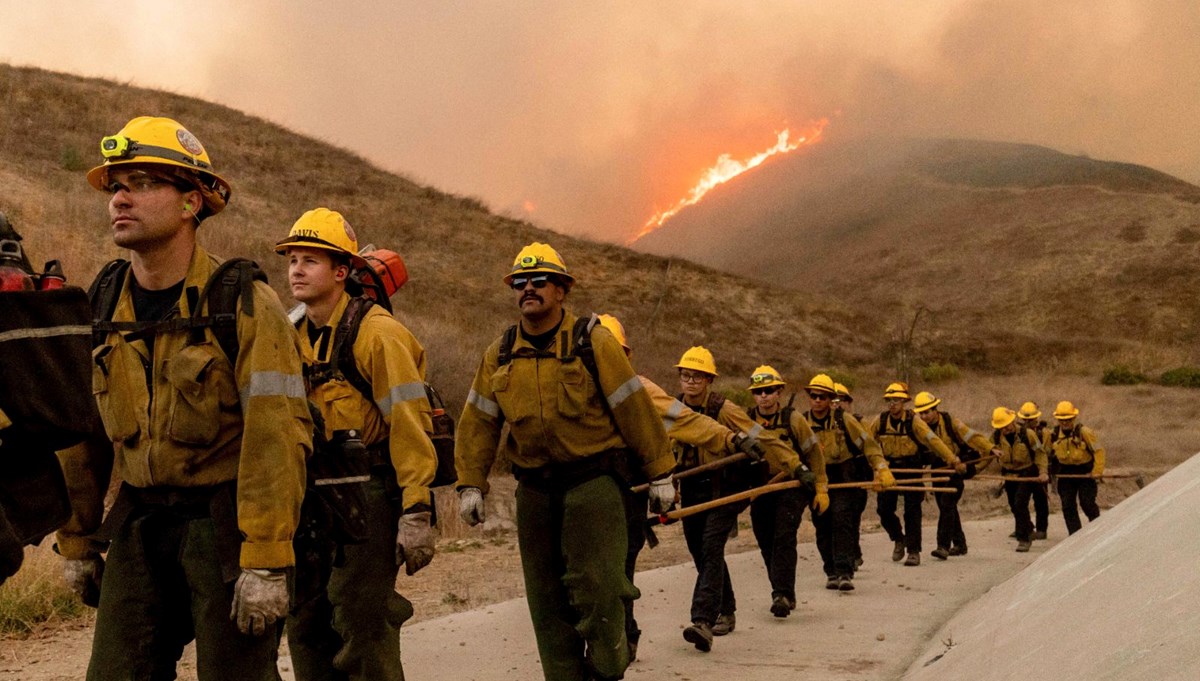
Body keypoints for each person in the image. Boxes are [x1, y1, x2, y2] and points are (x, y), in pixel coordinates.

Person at [55, 116, 310, 680]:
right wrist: (77, 538)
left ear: (192, 201)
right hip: (140, 527)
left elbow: (277, 439)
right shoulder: (101, 304)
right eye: (115, 185)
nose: (120, 197)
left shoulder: (244, 302)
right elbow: (83, 434)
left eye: (141, 182)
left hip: (223, 531)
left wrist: (266, 561)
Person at [454, 243, 675, 681]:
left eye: (539, 281)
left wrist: (661, 473)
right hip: (534, 491)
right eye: (520, 282)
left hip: (592, 484)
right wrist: (470, 483)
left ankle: (608, 670)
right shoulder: (498, 353)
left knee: (600, 592)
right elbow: (478, 422)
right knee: (547, 603)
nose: (528, 288)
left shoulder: (592, 342)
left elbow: (635, 409)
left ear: (562, 290)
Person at [277, 208, 437, 680]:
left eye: (311, 261)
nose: (297, 270)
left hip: (370, 491)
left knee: (361, 620)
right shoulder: (288, 337)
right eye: (293, 260)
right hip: (311, 494)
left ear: (342, 272)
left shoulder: (379, 334)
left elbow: (410, 425)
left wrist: (416, 510)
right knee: (304, 623)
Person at [595, 314, 762, 661]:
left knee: (637, 562)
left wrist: (734, 440)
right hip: (593, 492)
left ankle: (648, 632)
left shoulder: (639, 388)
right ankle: (723, 608)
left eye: (613, 352)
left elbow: (684, 422)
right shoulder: (569, 386)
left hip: (694, 489)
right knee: (700, 553)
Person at [672, 349, 813, 650]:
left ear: (709, 380)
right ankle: (726, 609)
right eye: (686, 375)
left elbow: (763, 438)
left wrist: (796, 465)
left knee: (711, 546)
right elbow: (657, 445)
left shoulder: (725, 409)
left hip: (726, 489)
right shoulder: (674, 409)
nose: (691, 381)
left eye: (698, 376)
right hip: (691, 489)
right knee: (701, 552)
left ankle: (703, 621)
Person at [743, 366, 829, 612]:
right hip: (761, 487)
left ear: (779, 392)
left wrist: (821, 488)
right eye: (758, 392)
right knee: (765, 538)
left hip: (792, 485)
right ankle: (782, 590)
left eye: (769, 391)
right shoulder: (746, 420)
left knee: (784, 534)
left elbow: (813, 453)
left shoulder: (794, 419)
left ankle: (781, 594)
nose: (763, 396)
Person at [803, 374, 893, 590]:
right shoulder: (802, 422)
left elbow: (869, 445)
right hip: (817, 481)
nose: (817, 400)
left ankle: (844, 572)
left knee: (841, 520)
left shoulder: (844, 420)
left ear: (830, 399)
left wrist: (881, 468)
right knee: (822, 527)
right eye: (814, 396)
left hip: (843, 477)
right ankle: (831, 572)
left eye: (822, 397)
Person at [865, 383, 964, 566]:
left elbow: (933, 441)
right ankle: (898, 538)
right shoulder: (880, 420)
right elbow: (866, 441)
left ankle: (913, 551)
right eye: (889, 400)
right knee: (884, 510)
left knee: (912, 510)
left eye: (896, 400)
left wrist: (952, 459)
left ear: (904, 401)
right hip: (890, 469)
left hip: (912, 466)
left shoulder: (914, 421)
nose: (892, 404)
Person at [913, 391, 998, 559]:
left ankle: (943, 546)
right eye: (921, 413)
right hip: (938, 468)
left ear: (935, 410)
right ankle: (960, 544)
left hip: (958, 466)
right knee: (946, 507)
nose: (924, 416)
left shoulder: (951, 422)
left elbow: (971, 435)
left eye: (927, 412)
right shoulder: (919, 427)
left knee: (947, 503)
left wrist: (989, 447)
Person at [990, 407, 1048, 552]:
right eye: (1001, 427)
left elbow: (1040, 454)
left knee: (1020, 503)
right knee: (1014, 506)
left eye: (1007, 426)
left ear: (1013, 421)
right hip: (1010, 475)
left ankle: (1024, 539)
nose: (1005, 429)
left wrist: (1043, 472)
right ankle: (1027, 528)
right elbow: (988, 452)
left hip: (1027, 473)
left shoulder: (1027, 434)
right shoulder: (996, 437)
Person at [1047, 401, 1105, 535]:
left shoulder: (1084, 432)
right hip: (1065, 473)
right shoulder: (1053, 435)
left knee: (1087, 503)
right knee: (1067, 506)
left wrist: (1097, 471)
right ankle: (1075, 536)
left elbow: (1099, 451)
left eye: (1067, 420)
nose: (1064, 423)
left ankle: (1099, 531)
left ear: (1073, 418)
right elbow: (1047, 455)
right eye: (1061, 420)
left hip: (1085, 472)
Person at [1017, 401, 1051, 540]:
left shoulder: (1045, 432)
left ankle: (1042, 529)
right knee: (1019, 502)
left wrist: (1043, 470)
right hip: (1025, 471)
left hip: (1039, 471)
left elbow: (1046, 451)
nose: (1027, 422)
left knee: (1041, 501)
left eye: (1030, 419)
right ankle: (1026, 527)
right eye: (1025, 420)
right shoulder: (1020, 433)